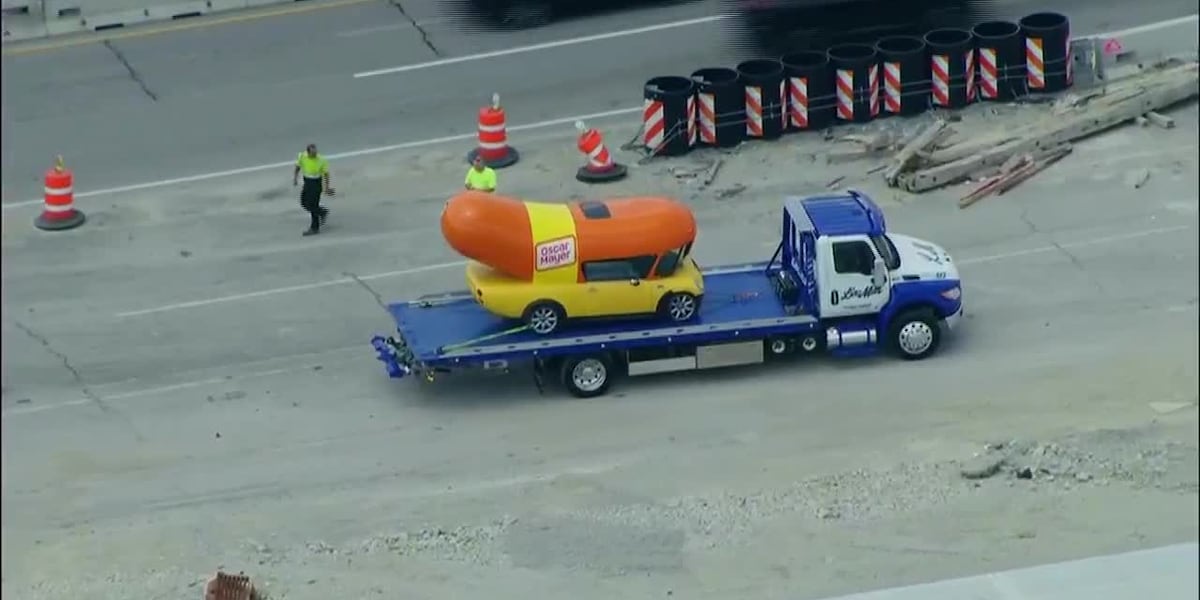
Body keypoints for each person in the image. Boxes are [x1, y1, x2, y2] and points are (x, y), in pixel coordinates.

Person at [293, 144, 335, 236]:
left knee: (312, 205)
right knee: (304, 202)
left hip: (316, 184)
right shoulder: (302, 156)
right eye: (313, 153)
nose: (315, 154)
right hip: (307, 183)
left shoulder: (321, 159)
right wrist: (295, 178)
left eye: (315, 152)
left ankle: (314, 227)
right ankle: (321, 212)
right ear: (308, 152)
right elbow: (298, 167)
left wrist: (327, 187)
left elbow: (326, 174)